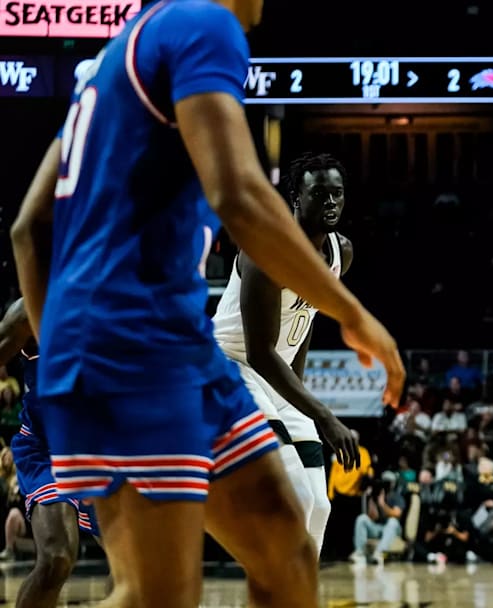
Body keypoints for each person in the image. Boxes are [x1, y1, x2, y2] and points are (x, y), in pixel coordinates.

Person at [8, 2, 405, 606]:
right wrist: (354, 314)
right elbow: (239, 195)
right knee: (159, 593)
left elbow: (28, 231)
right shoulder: (204, 24)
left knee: (287, 550)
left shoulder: (118, 54)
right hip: (138, 346)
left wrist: (64, 365)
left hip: (168, 350)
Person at [213, 152, 358, 556]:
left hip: (275, 378)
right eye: (320, 194)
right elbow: (259, 353)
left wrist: (299, 398)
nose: (331, 202)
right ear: (296, 197)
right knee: (296, 496)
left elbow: (304, 321)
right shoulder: (266, 252)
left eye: (337, 193)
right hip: (230, 368)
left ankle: (299, 588)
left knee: (319, 507)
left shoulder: (340, 253)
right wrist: (322, 414)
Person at [0, 298, 101, 607]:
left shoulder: (129, 302)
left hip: (105, 450)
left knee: (136, 567)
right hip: (47, 451)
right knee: (57, 558)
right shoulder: (33, 308)